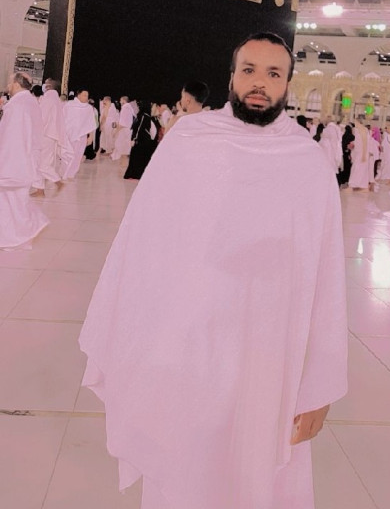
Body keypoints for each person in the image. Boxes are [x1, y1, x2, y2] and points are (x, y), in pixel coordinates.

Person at [79, 31, 348, 509]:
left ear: (287, 84)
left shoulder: (308, 161)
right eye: (249, 70)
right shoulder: (190, 141)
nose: (259, 83)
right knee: (185, 464)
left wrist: (319, 386)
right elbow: (142, 245)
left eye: (273, 73)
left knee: (254, 472)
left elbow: (326, 279)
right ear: (231, 77)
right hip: (188, 346)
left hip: (269, 353)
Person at [0, 72, 49, 249]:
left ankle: (24, 233)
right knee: (14, 203)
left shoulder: (18, 105)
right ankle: (14, 238)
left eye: (9, 82)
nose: (8, 86)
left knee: (13, 202)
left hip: (14, 161)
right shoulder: (29, 102)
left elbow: (11, 137)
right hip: (23, 161)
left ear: (16, 84)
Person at [30, 78, 72, 197]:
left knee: (41, 163)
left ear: (49, 86)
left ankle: (58, 182)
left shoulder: (48, 98)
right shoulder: (54, 98)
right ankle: (39, 190)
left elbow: (42, 117)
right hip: (50, 135)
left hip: (45, 135)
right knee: (39, 162)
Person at [62, 88, 97, 180]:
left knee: (78, 155)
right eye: (84, 95)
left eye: (87, 96)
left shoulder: (89, 108)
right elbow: (62, 118)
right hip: (68, 134)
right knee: (67, 154)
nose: (86, 97)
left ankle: (71, 174)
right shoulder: (69, 105)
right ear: (78, 95)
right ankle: (64, 173)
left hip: (82, 135)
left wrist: (91, 137)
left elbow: (91, 123)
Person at [123, 100, 158, 180]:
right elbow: (139, 128)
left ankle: (136, 174)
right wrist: (134, 139)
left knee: (139, 158)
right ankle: (135, 175)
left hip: (143, 141)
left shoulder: (145, 116)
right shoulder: (144, 116)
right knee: (138, 158)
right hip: (141, 141)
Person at [111, 96, 134, 162]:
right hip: (128, 129)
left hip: (124, 130)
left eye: (120, 100)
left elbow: (122, 123)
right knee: (125, 146)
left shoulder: (125, 108)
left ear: (124, 100)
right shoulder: (130, 107)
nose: (120, 102)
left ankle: (123, 162)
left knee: (121, 146)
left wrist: (115, 131)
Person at [348, 118, 369, 190]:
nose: (355, 124)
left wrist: (364, 155)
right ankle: (358, 185)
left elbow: (365, 143)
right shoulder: (358, 130)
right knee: (358, 169)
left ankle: (353, 185)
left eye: (355, 122)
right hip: (358, 152)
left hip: (362, 153)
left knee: (357, 168)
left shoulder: (363, 130)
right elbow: (359, 141)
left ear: (358, 122)